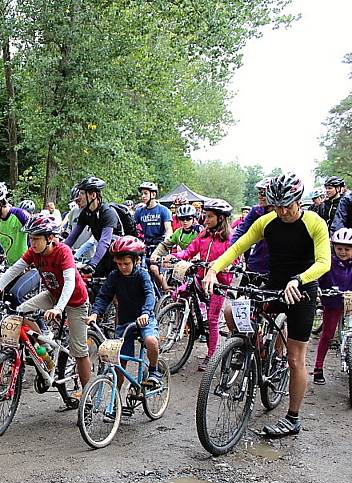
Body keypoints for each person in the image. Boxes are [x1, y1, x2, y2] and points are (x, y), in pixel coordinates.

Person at [204, 173, 331, 438]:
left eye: (288, 205)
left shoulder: (314, 223)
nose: (282, 211)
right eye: (277, 206)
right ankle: (250, 348)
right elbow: (237, 247)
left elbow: (323, 262)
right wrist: (214, 269)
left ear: (298, 200)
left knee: (296, 359)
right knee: (231, 310)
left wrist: (300, 279)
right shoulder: (266, 222)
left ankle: (293, 418)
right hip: (273, 285)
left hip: (302, 290)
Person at [0, 214, 92, 392]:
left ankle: (88, 394)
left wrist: (58, 308)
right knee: (19, 312)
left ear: (49, 238)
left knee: (79, 352)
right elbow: (13, 271)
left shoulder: (63, 251)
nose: (32, 243)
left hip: (75, 301)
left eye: (36, 238)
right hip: (53, 294)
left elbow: (70, 282)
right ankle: (45, 349)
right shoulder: (34, 253)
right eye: (30, 238)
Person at [87, 236, 163, 405]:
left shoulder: (143, 274)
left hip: (145, 319)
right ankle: (115, 400)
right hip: (126, 323)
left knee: (151, 341)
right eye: (119, 264)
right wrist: (95, 313)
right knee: (119, 363)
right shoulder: (114, 276)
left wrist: (145, 313)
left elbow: (150, 295)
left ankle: (154, 370)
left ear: (136, 260)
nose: (122, 267)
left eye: (126, 264)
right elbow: (104, 296)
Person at [165, 199, 234, 370]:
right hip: (201, 277)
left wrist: (224, 267)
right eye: (205, 215)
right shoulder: (203, 234)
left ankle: (211, 356)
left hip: (219, 283)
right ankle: (188, 321)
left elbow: (235, 257)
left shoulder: (230, 238)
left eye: (210, 216)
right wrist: (175, 256)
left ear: (221, 218)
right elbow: (190, 251)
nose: (206, 219)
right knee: (180, 292)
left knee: (212, 319)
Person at [313, 228, 352, 385]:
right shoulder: (328, 262)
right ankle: (318, 367)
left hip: (350, 303)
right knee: (328, 334)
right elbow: (317, 277)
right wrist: (318, 288)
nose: (343, 252)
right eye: (339, 248)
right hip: (333, 302)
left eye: (347, 249)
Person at [64, 176, 122, 276]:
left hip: (119, 256)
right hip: (104, 254)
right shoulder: (85, 213)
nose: (78, 197)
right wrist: (57, 252)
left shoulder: (107, 212)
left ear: (93, 195)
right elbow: (72, 237)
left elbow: (105, 241)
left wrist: (93, 264)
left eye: (82, 193)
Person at [231, 178, 273, 275]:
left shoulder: (283, 214)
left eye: (263, 193)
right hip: (256, 262)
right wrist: (229, 250)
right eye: (259, 193)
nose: (260, 196)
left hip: (275, 266)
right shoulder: (256, 211)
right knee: (243, 289)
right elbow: (241, 230)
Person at [135, 182, 172, 291]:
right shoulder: (139, 211)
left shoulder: (163, 210)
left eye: (146, 193)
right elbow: (132, 227)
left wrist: (166, 240)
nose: (143, 196)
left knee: (154, 269)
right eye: (142, 194)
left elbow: (168, 229)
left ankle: (165, 290)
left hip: (160, 245)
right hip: (145, 244)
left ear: (153, 195)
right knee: (139, 268)